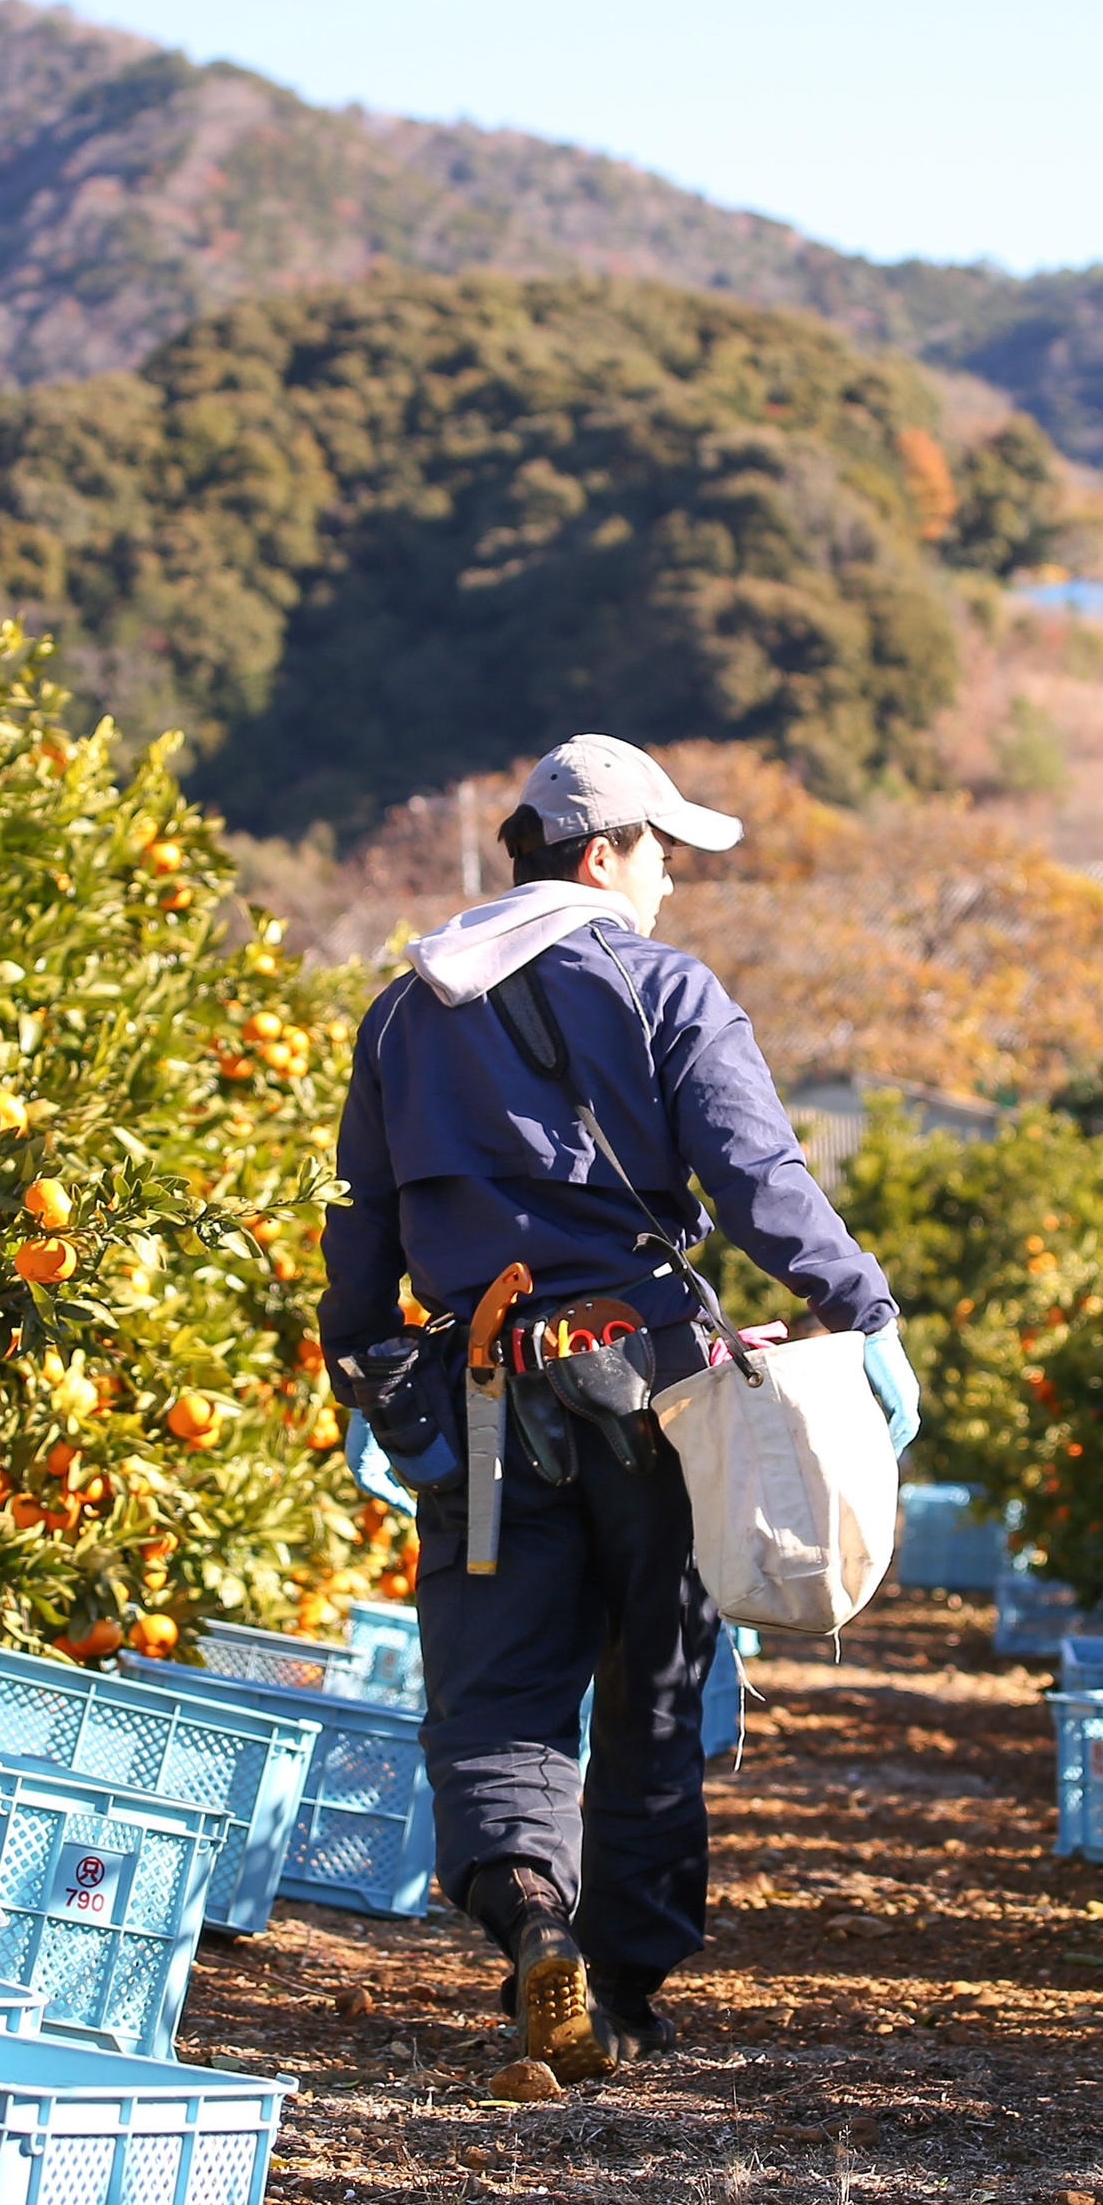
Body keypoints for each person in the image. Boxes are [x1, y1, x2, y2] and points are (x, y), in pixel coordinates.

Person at [320, 734, 919, 2084]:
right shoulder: (661, 988)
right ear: (604, 856)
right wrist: (864, 1313)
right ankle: (631, 1987)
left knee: (495, 1688)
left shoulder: (406, 1010)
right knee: (654, 1681)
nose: (666, 887)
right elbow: (757, 1177)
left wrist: (363, 1364)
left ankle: (532, 1918)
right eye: (661, 858)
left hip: (480, 1393)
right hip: (649, 1383)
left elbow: (361, 1213)